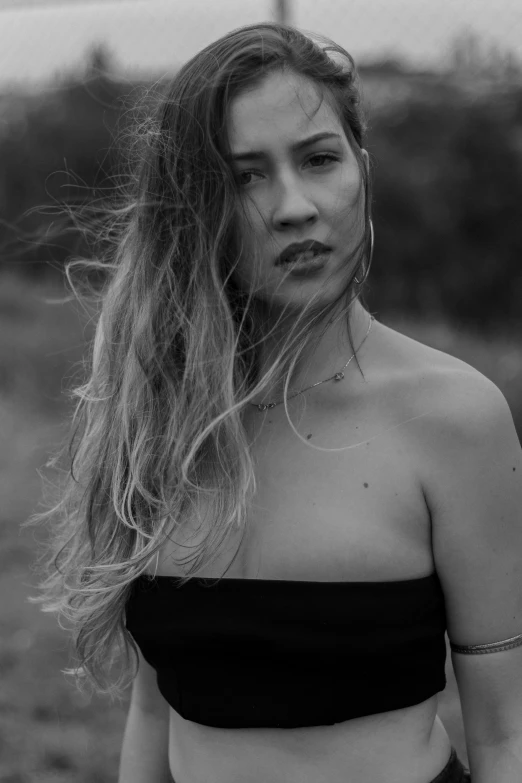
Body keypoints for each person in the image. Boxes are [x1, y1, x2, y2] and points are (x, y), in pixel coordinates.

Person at [28, 21, 522, 783]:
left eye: (319, 159)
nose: (293, 206)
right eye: (244, 176)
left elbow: (506, 737)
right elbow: (156, 712)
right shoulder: (160, 410)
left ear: (361, 168)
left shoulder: (456, 418)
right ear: (191, 209)